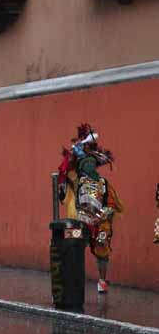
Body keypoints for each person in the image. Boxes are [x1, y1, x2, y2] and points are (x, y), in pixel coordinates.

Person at [58, 124, 123, 293]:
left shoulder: (104, 184)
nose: (89, 166)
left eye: (91, 164)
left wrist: (102, 216)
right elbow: (64, 176)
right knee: (70, 242)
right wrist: (75, 153)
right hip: (80, 223)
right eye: (86, 164)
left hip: (100, 224)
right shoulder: (76, 181)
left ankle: (102, 281)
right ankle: (69, 279)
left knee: (102, 244)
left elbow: (112, 205)